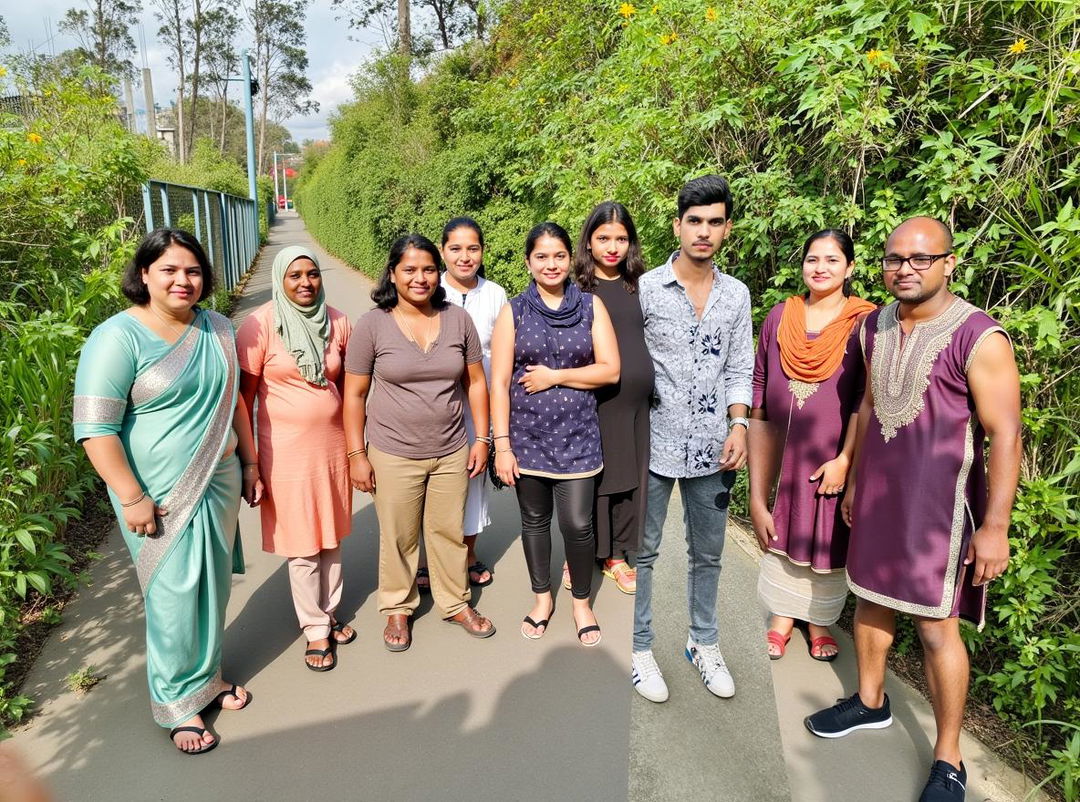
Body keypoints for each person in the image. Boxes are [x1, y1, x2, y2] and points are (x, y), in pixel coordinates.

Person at [805, 218, 1021, 802]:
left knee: (934, 627)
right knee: (870, 597)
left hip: (939, 515)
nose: (905, 268)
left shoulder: (979, 337)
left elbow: (1004, 434)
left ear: (949, 263)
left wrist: (995, 526)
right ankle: (870, 701)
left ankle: (948, 759)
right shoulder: (875, 325)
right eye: (895, 258)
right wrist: (852, 473)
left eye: (921, 259)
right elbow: (872, 401)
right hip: (878, 496)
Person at [74, 228, 259, 755]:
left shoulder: (218, 329)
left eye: (193, 270)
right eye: (170, 270)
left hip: (219, 480)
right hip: (156, 495)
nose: (183, 280)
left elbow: (235, 403)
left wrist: (249, 463)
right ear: (145, 275)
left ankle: (209, 679)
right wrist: (131, 496)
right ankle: (176, 703)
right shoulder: (117, 338)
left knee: (213, 586)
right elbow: (96, 429)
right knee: (173, 595)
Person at [631, 174, 753, 703]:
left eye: (715, 222)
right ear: (678, 225)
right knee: (644, 552)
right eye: (695, 221)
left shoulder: (737, 294)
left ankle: (703, 642)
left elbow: (740, 367)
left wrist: (740, 424)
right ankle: (640, 649)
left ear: (727, 229)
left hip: (712, 447)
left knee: (709, 553)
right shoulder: (646, 289)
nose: (704, 232)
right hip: (652, 445)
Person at [342, 234, 495, 652]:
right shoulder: (373, 324)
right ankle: (397, 606)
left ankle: (455, 602)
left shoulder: (457, 320)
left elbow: (476, 384)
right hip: (392, 452)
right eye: (409, 269)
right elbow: (354, 395)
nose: (420, 278)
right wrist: (357, 454)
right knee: (398, 534)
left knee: (447, 531)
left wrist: (482, 438)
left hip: (450, 448)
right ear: (392, 273)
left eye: (428, 269)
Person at [490, 222, 620, 645]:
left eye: (559, 255)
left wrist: (554, 377)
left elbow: (610, 370)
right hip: (526, 438)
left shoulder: (590, 306)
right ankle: (542, 598)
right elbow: (499, 382)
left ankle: (581, 602)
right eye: (541, 256)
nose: (551, 264)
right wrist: (501, 446)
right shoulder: (514, 311)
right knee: (534, 521)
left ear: (571, 258)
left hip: (579, 437)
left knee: (579, 524)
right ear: (528, 261)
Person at [749, 230, 875, 661]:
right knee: (783, 529)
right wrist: (756, 491)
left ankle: (819, 619)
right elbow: (760, 387)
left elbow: (866, 398)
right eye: (812, 259)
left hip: (834, 459)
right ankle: (783, 617)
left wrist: (845, 460)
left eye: (832, 260)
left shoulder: (864, 323)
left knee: (829, 536)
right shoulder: (781, 316)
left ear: (850, 268)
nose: (820, 268)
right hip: (784, 455)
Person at [237, 245, 355, 673]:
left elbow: (352, 390)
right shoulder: (259, 325)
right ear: (281, 281)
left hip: (332, 449)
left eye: (312, 274)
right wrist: (251, 464)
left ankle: (329, 610)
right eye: (295, 276)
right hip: (284, 454)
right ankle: (315, 629)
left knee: (332, 536)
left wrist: (358, 448)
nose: (305, 283)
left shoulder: (339, 321)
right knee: (303, 544)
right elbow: (242, 401)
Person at [415, 218, 508, 592]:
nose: (464, 256)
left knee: (473, 480)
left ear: (482, 251)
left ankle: (468, 555)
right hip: (437, 403)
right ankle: (427, 561)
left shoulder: (496, 294)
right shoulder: (428, 289)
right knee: (429, 483)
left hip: (479, 402)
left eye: (473, 248)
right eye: (455, 248)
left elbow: (502, 356)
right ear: (442, 252)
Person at [571, 201, 652, 595]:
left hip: (636, 406)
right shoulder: (575, 290)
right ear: (589, 241)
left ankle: (617, 556)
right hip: (594, 402)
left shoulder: (643, 286)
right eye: (603, 238)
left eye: (621, 238)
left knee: (627, 482)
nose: (612, 247)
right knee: (593, 482)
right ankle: (583, 555)